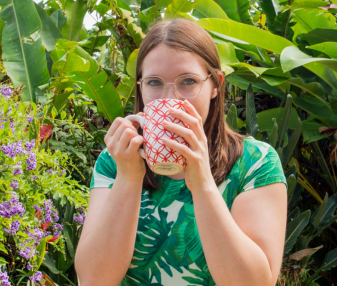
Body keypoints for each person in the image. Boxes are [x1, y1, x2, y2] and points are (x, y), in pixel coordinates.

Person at [74, 18, 288, 286]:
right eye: (154, 82)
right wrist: (128, 177)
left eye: (188, 81)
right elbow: (93, 280)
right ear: (140, 87)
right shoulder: (115, 161)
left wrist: (202, 184)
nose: (171, 98)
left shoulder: (256, 164)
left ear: (215, 86)